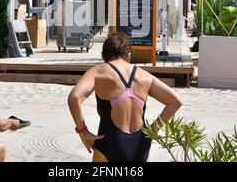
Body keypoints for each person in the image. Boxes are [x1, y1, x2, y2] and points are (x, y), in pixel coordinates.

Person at [67, 33, 182, 162]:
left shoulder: (98, 71)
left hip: (109, 143)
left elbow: (74, 98)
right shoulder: (145, 76)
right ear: (128, 55)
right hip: (141, 144)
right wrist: (153, 130)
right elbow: (175, 102)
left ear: (104, 56)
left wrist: (83, 132)